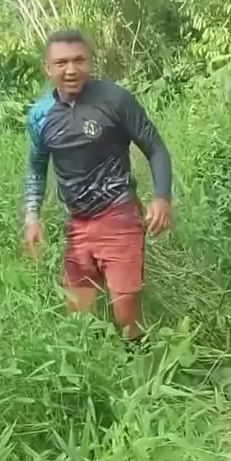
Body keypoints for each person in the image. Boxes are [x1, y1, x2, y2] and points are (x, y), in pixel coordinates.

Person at [23, 29, 172, 348]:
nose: (71, 69)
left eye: (79, 60)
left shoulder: (115, 99)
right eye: (61, 63)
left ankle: (142, 362)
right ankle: (97, 367)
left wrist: (161, 198)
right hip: (76, 222)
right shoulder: (40, 116)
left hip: (118, 213)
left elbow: (155, 147)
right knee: (78, 315)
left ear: (90, 62)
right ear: (47, 68)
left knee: (125, 311)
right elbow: (37, 165)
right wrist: (32, 217)